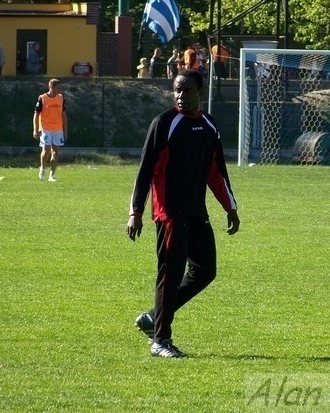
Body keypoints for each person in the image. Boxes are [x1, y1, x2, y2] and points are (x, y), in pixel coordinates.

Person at [127, 69, 240, 358]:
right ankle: (160, 341)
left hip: (196, 210)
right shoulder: (164, 123)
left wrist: (230, 207)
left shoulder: (209, 125)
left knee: (205, 270)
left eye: (187, 90)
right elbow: (145, 170)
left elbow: (216, 171)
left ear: (199, 93)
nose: (181, 95)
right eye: (177, 89)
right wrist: (135, 211)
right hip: (170, 213)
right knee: (170, 274)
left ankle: (155, 317)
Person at [33, 79, 68, 182]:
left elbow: (63, 114)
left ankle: (52, 176)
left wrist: (65, 130)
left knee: (55, 151)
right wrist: (35, 129)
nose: (60, 89)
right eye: (58, 87)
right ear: (52, 87)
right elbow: (36, 114)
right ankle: (43, 168)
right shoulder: (42, 98)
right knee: (46, 149)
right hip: (45, 127)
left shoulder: (61, 98)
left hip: (57, 128)